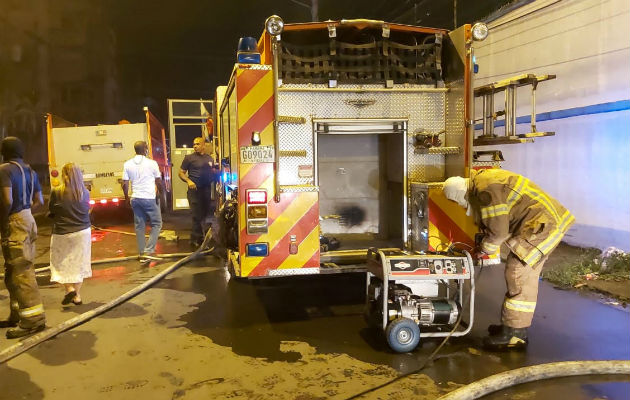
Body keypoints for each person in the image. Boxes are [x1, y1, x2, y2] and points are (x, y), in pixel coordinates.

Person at [443, 169, 574, 351]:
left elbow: (499, 232)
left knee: (517, 272)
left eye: (460, 202)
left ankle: (515, 334)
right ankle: (511, 327)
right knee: (520, 275)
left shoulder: (485, 189)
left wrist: (485, 249)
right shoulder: (484, 181)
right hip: (543, 222)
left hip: (543, 225)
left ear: (461, 193)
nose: (463, 206)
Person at [0, 136, 46, 338]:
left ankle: (33, 320)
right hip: (28, 219)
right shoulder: (31, 171)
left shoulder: (4, 170)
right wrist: (26, 213)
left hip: (15, 221)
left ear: (4, 151)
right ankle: (18, 314)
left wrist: (6, 220)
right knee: (13, 272)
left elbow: (7, 199)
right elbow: (40, 200)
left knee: (22, 271)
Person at [48, 163, 92, 306]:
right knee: (78, 263)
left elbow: (52, 211)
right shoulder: (85, 192)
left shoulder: (56, 192)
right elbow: (86, 209)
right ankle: (77, 296)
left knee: (60, 262)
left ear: (63, 175)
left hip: (62, 232)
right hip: (82, 232)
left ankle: (69, 288)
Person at [122, 141, 164, 261]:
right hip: (149, 198)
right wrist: (161, 193)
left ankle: (142, 254)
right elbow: (158, 181)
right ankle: (149, 251)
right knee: (157, 223)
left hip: (135, 198)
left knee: (139, 226)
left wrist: (126, 197)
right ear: (145, 149)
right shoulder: (152, 163)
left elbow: (124, 183)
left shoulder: (127, 164)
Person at [178, 137, 218, 249]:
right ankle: (196, 240)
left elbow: (213, 171)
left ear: (203, 145)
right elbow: (181, 173)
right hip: (194, 191)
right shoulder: (189, 158)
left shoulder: (209, 158)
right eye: (194, 144)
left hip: (206, 190)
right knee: (197, 216)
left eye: (197, 144)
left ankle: (196, 238)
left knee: (205, 215)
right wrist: (189, 181)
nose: (195, 146)